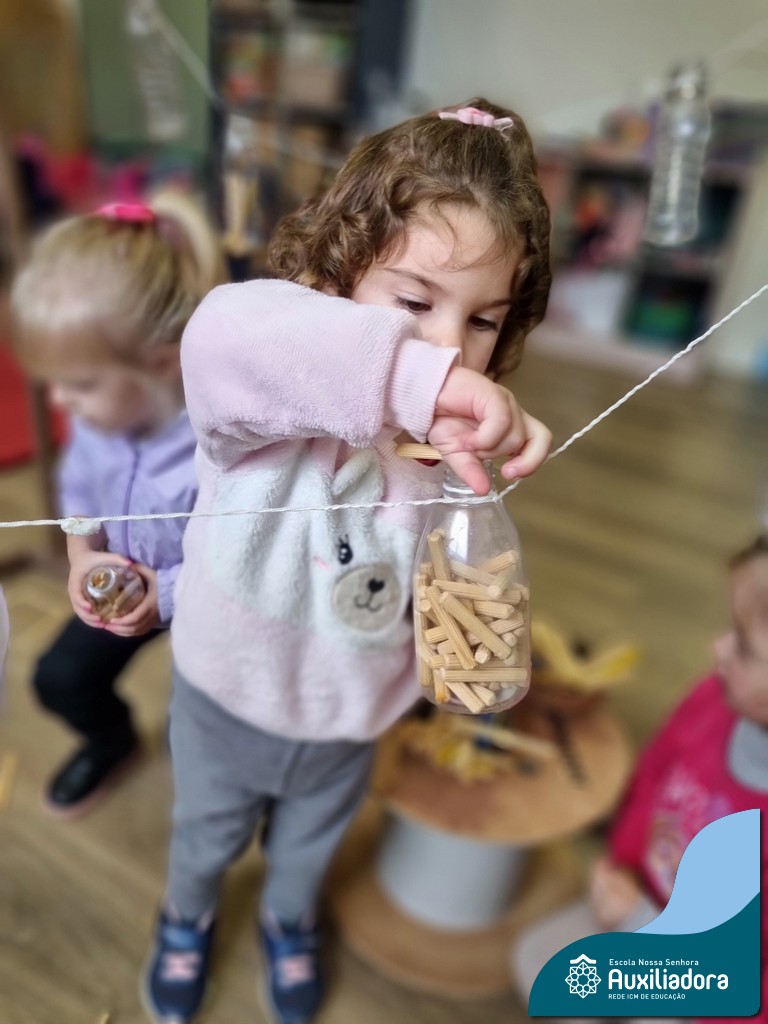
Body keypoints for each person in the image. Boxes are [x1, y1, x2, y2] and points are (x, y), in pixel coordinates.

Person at [142, 99, 553, 1024]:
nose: (449, 348)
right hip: (224, 697)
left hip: (348, 720)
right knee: (204, 838)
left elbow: (448, 590)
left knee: (306, 852)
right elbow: (223, 331)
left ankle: (288, 922)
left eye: (483, 322)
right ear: (335, 274)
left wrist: (475, 635)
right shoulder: (263, 391)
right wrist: (414, 379)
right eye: (414, 303)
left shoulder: (447, 459)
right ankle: (185, 917)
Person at [9, 191, 227, 817]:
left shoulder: (221, 443)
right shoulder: (96, 422)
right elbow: (80, 493)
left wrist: (170, 594)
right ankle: (112, 741)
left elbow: (238, 558)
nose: (60, 401)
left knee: (201, 725)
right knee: (60, 678)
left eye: (79, 384)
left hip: (212, 605)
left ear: (160, 365)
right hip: (124, 584)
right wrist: (81, 555)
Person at [512, 533, 768, 1024]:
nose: (717, 646)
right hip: (641, 903)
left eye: (743, 644)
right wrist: (622, 864)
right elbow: (654, 775)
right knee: (535, 961)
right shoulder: (713, 696)